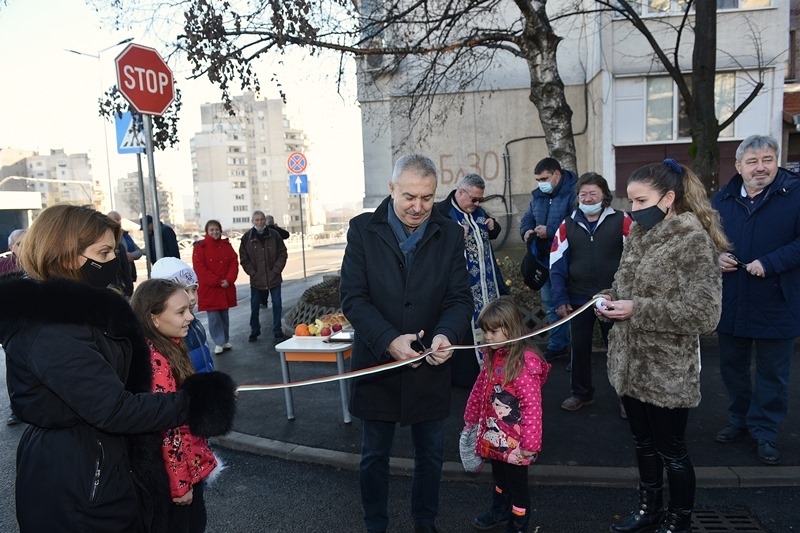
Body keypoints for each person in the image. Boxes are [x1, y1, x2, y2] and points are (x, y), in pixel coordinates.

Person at [0, 204, 236, 532]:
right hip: (79, 480)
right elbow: (112, 408)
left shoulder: (84, 313)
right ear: (66, 255)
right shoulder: (51, 327)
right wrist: (194, 402)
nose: (114, 260)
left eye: (115, 250)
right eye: (105, 251)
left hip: (102, 465)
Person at [340, 153, 473, 533]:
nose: (418, 207)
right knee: (374, 455)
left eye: (427, 198)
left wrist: (448, 333)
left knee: (430, 455)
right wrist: (387, 341)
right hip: (378, 365)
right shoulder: (362, 230)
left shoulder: (449, 233)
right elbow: (353, 297)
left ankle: (425, 522)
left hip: (430, 364)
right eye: (409, 197)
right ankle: (375, 524)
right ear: (391, 189)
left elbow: (460, 299)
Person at [597, 160, 728, 533]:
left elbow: (705, 315)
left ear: (668, 198)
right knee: (643, 445)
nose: (633, 210)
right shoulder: (638, 235)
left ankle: (679, 520)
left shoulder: (693, 241)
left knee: (672, 452)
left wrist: (638, 310)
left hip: (666, 371)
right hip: (629, 365)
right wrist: (607, 300)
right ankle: (649, 510)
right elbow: (624, 288)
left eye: (641, 201)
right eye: (631, 201)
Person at [712, 135, 800, 466]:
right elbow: (707, 240)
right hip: (733, 299)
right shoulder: (722, 198)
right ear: (738, 166)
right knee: (732, 368)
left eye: (766, 159)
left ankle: (765, 431)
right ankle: (740, 421)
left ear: (777, 161)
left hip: (777, 299)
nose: (760, 167)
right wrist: (716, 256)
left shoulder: (794, 194)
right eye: (752, 161)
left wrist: (771, 262)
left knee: (773, 373)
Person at [132, 279, 221, 532]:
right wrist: (180, 484)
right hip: (179, 478)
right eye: (181, 312)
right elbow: (167, 430)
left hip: (186, 468)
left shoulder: (168, 346)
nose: (190, 317)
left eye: (189, 309)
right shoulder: (157, 361)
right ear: (154, 319)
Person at [463, 297, 551, 533]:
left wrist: (530, 444)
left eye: (493, 331)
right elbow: (480, 388)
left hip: (517, 443)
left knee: (518, 486)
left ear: (510, 328)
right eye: (485, 331)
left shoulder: (524, 363)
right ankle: (500, 510)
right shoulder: (493, 356)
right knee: (500, 479)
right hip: (495, 437)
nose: (487, 336)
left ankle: (519, 523)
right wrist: (471, 418)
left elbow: (532, 406)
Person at [549, 173, 631, 413]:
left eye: (593, 193)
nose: (588, 198)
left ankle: (626, 397)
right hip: (578, 298)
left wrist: (626, 295)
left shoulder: (622, 220)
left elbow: (635, 259)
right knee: (579, 347)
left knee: (618, 349)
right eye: (583, 194)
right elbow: (556, 264)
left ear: (604, 195)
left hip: (612, 298)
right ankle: (581, 393)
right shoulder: (567, 225)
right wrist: (561, 298)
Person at [435, 173, 502, 387]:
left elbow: (490, 232)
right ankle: (468, 380)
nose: (477, 203)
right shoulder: (441, 212)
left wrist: (494, 225)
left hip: (487, 286)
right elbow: (430, 242)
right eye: (473, 199)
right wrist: (451, 234)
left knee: (491, 325)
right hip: (460, 288)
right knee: (464, 331)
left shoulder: (478, 210)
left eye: (480, 199)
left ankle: (492, 372)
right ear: (460, 192)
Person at [519, 157, 577, 361]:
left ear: (557, 174)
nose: (540, 183)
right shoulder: (538, 196)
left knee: (571, 306)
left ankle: (576, 351)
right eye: (537, 179)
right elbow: (527, 217)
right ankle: (558, 345)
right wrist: (526, 231)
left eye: (543, 178)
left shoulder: (575, 193)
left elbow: (576, 224)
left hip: (568, 260)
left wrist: (550, 231)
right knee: (551, 304)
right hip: (545, 260)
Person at [151, 257, 216, 373]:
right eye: (185, 291)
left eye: (194, 289)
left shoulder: (194, 322)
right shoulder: (165, 334)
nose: (191, 297)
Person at [239, 210, 288, 343]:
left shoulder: (274, 235)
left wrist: (276, 270)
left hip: (274, 277)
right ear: (252, 221)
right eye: (257, 220)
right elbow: (244, 259)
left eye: (262, 219)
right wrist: (253, 273)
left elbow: (282, 253)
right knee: (255, 306)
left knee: (277, 304)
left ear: (265, 220)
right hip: (256, 279)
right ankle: (254, 330)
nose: (260, 222)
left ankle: (277, 330)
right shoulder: (246, 238)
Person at [193, 220, 239, 354]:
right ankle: (218, 342)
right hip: (210, 289)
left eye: (217, 229)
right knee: (213, 318)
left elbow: (233, 263)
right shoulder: (200, 247)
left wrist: (229, 280)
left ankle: (224, 340)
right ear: (207, 232)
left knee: (224, 316)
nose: (215, 232)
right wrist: (218, 281)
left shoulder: (226, 245)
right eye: (211, 230)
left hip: (225, 287)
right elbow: (200, 268)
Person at [1, 229, 25, 426]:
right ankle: (16, 409)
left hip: (33, 324)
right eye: (20, 243)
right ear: (11, 247)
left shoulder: (36, 262)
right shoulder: (3, 266)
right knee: (14, 366)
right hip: (11, 326)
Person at [107, 210, 143, 281]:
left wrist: (132, 255)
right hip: (114, 278)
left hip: (128, 275)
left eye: (119, 220)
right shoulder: (105, 237)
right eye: (115, 220)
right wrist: (122, 256)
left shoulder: (125, 235)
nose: (118, 222)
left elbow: (139, 251)